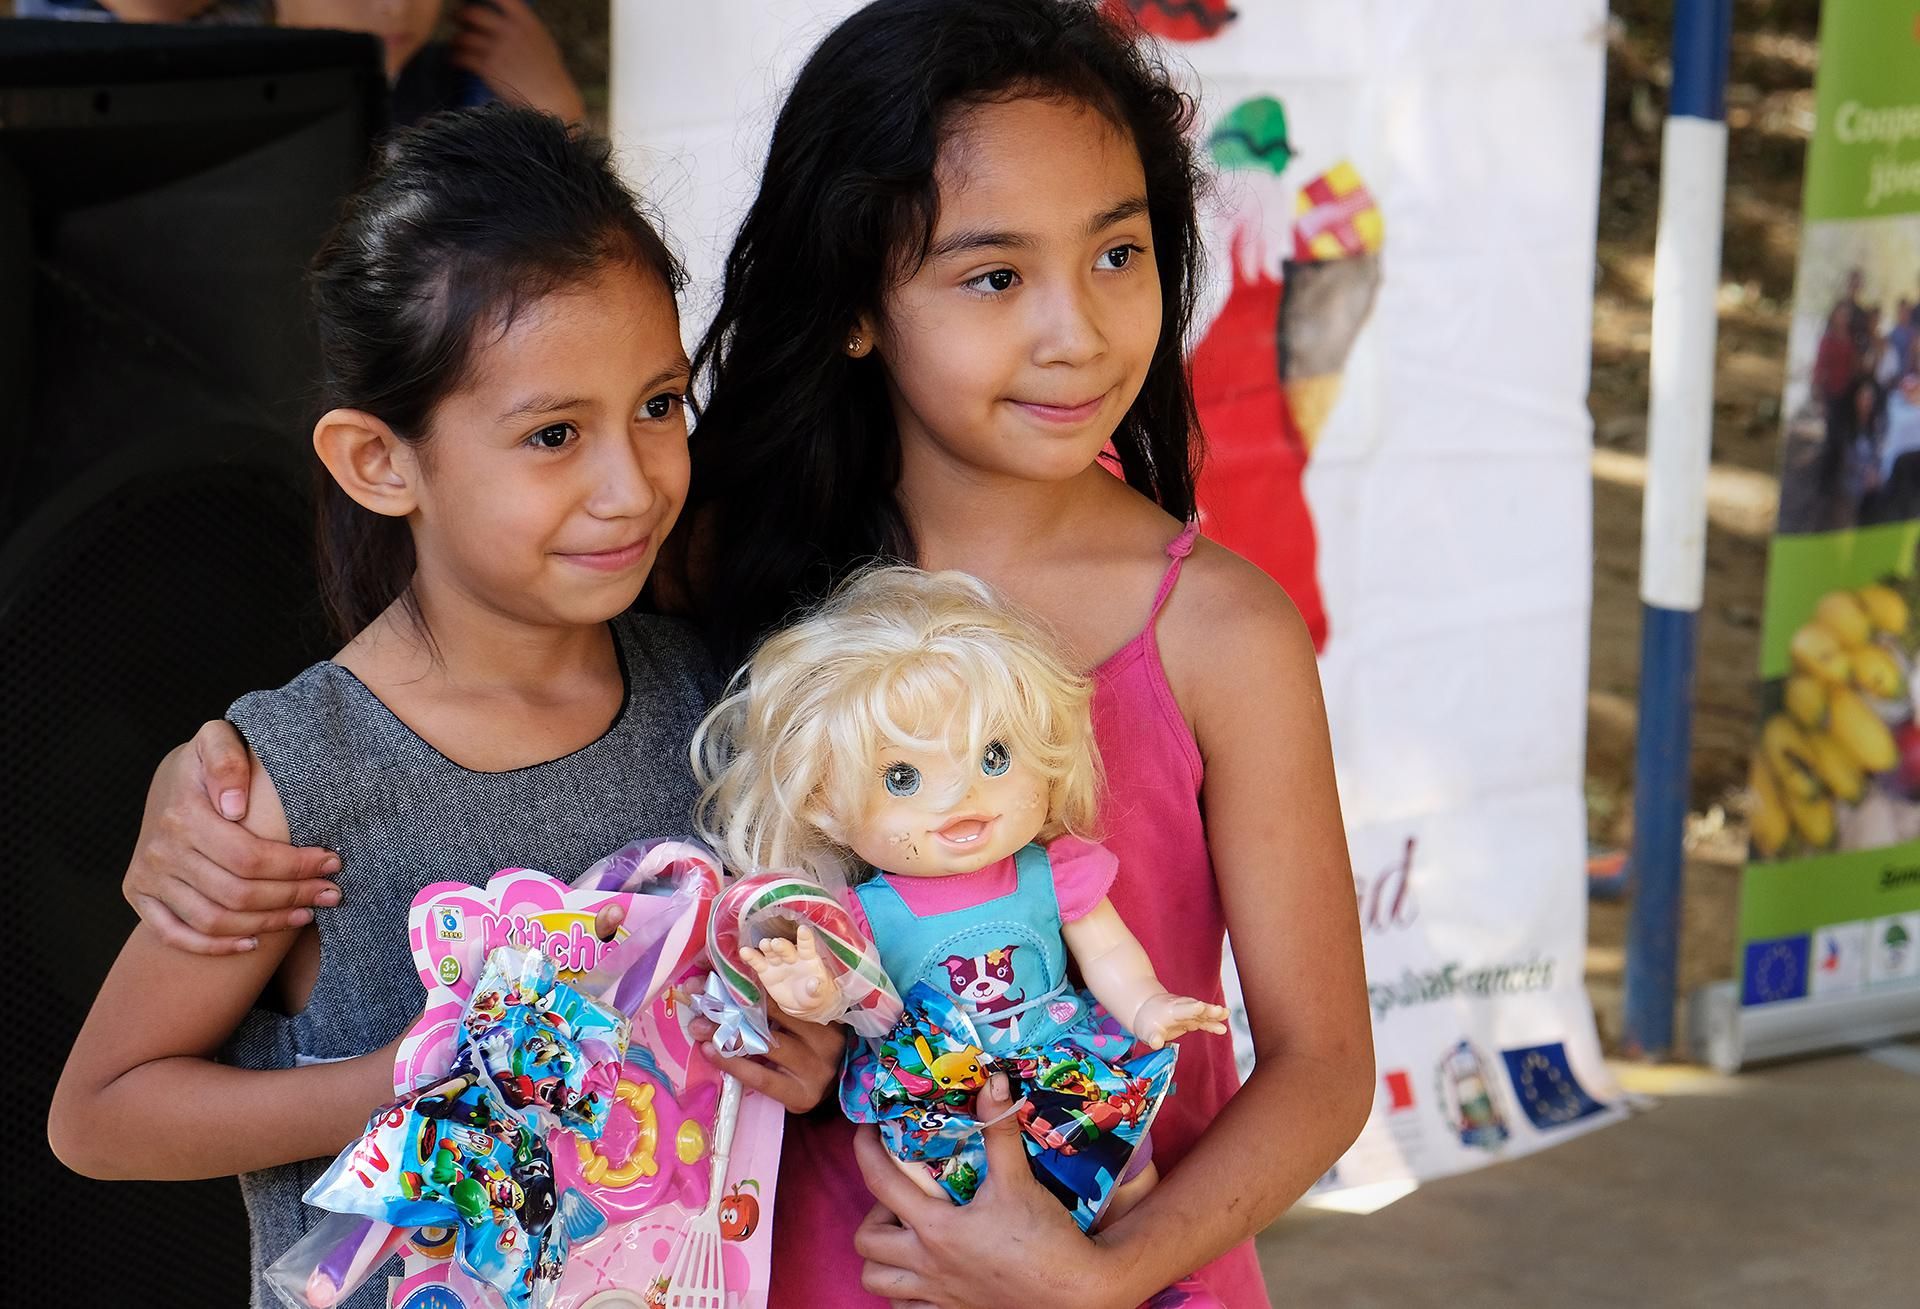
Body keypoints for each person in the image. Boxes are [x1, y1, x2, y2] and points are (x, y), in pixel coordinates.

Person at [117, 3, 1374, 1304]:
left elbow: (1325, 1062)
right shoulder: (704, 556)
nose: (1077, 330)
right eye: (995, 275)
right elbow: (453, 660)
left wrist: (1106, 1276)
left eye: (1118, 254)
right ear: (853, 304)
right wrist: (211, 785)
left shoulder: (1220, 629)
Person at [47, 107, 840, 1309]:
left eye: (660, 405)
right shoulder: (302, 775)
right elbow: (100, 1115)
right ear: (380, 462)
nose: (630, 482)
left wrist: (805, 1050)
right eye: (554, 434)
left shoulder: (709, 697)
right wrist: (410, 1078)